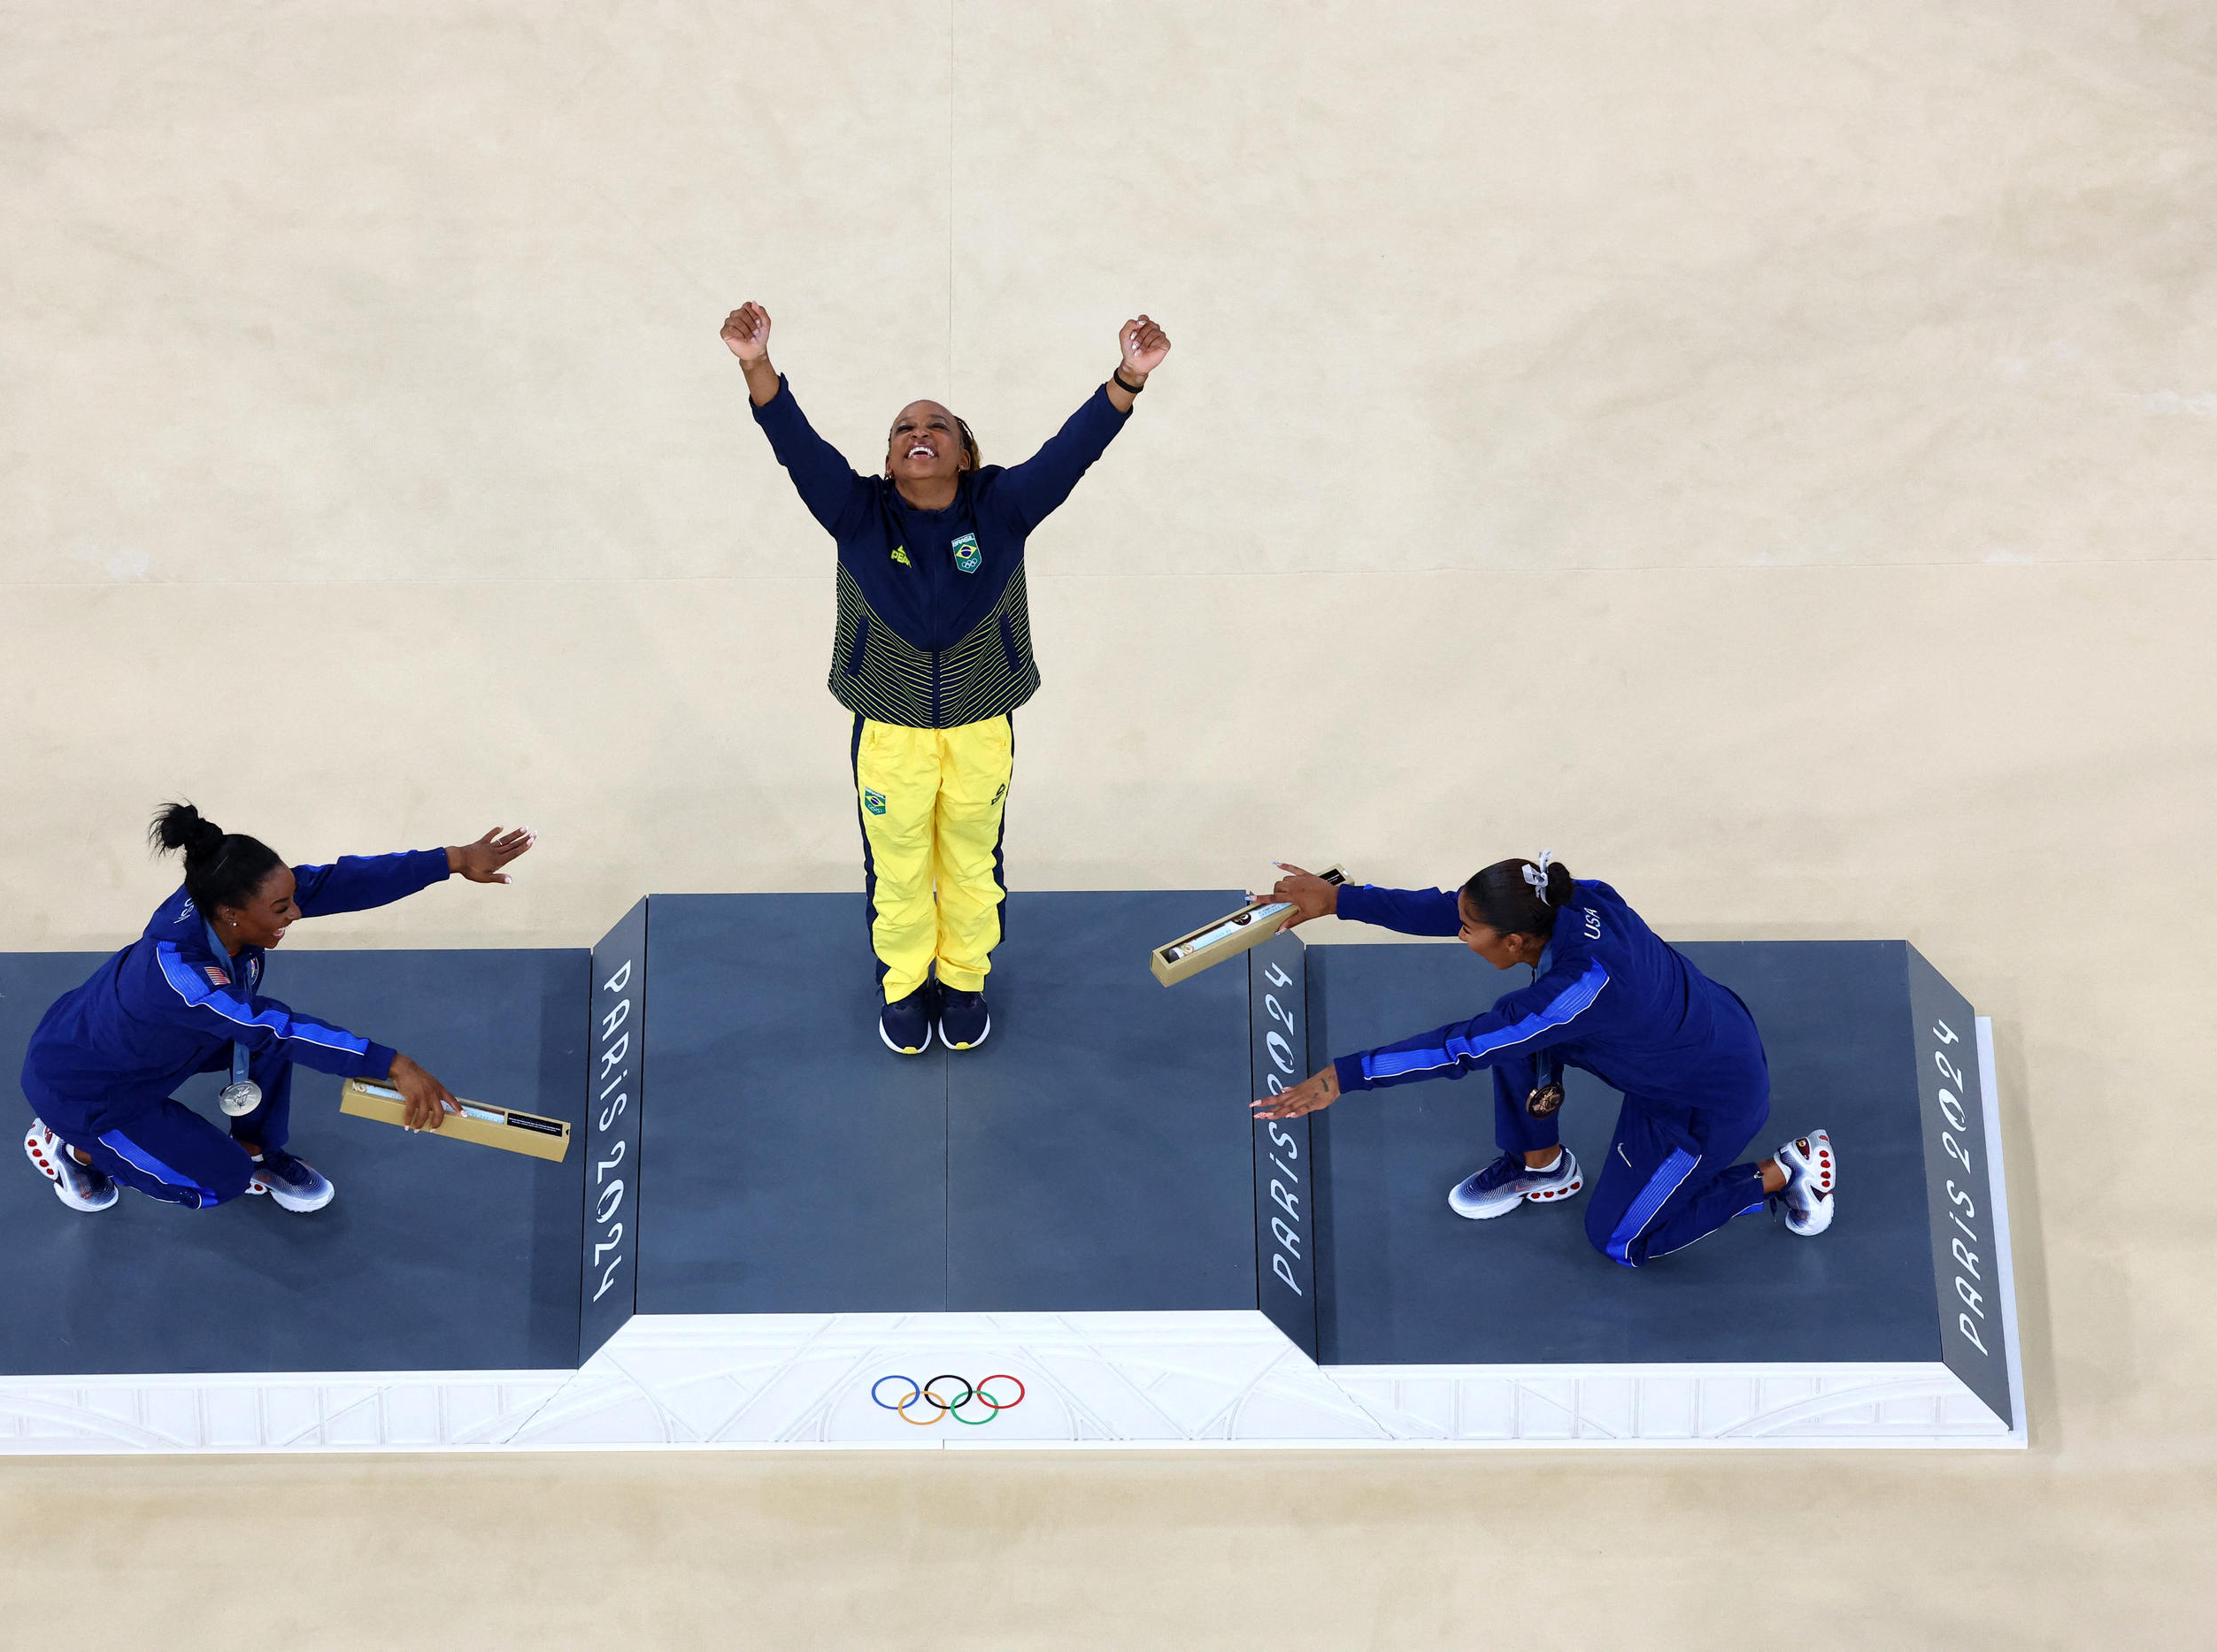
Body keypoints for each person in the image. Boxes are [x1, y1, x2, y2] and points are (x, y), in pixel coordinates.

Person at [720, 300, 1171, 1055]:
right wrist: (756, 363)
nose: (918, 434)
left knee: (970, 860)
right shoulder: (856, 511)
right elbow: (796, 445)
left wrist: (1128, 377)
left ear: (964, 452)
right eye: (903, 429)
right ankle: (902, 983)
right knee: (897, 868)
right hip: (890, 730)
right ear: (889, 458)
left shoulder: (1002, 508)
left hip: (979, 725)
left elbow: (1071, 452)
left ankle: (963, 979)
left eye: (936, 426)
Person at [1251, 855, 1837, 1266]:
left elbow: (1461, 1047)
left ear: (1513, 942)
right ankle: (1542, 1163)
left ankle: (1786, 1171)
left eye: (1468, 931)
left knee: (1621, 1243)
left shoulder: (1576, 990)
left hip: (1703, 1101)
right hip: (1699, 1030)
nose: (1459, 935)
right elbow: (1448, 908)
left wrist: (1341, 1077)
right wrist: (1340, 900)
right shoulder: (1571, 897)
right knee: (1519, 1033)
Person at [18, 803, 536, 1216]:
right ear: (231, 914)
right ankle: (72, 1147)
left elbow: (336, 882)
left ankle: (259, 1150)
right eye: (282, 909)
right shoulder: (182, 977)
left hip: (147, 1045)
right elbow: (274, 1028)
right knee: (219, 1184)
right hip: (88, 1090)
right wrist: (394, 1064)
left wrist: (452, 859)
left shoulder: (221, 897)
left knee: (261, 1051)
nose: (296, 912)